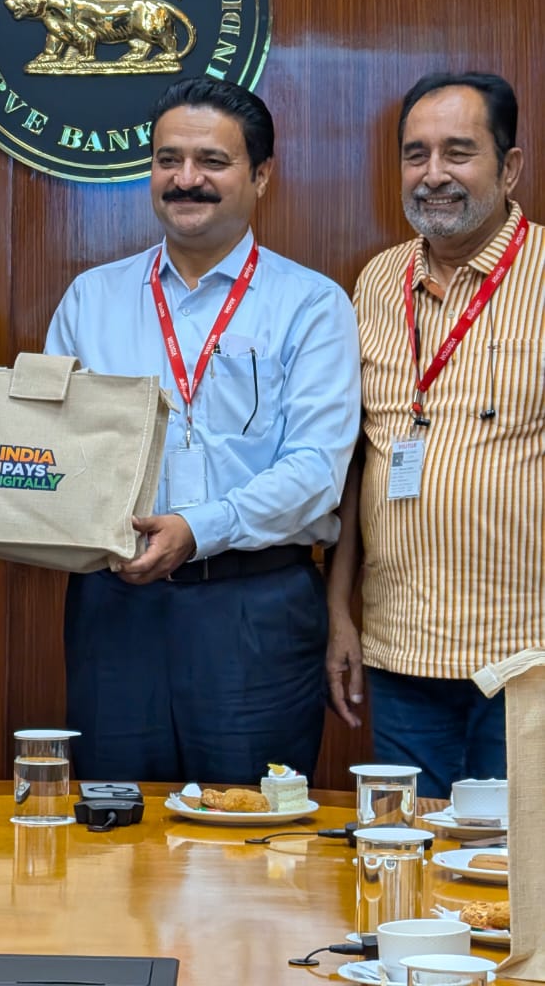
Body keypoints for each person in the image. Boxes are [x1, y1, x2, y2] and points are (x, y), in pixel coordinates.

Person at [45, 76, 360, 784]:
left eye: (212, 161)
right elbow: (53, 454)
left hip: (254, 609)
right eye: (168, 160)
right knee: (115, 819)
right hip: (116, 607)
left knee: (251, 827)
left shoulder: (311, 305)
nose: (186, 179)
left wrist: (198, 528)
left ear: (261, 175)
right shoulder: (91, 299)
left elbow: (316, 471)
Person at [326, 71, 543, 798]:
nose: (433, 174)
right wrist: (340, 615)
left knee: (513, 860)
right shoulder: (376, 283)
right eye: (415, 154)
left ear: (509, 168)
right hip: (401, 653)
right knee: (407, 853)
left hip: (527, 659)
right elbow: (357, 462)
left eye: (458, 151)